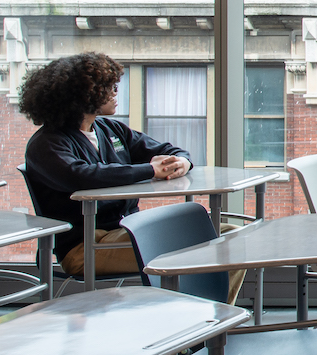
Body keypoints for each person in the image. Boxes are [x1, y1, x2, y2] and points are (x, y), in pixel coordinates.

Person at [19, 52, 219, 285]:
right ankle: (203, 315)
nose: (116, 93)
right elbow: (82, 176)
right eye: (110, 88)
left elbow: (167, 150)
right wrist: (150, 170)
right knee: (206, 249)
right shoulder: (46, 144)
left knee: (227, 237)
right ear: (85, 95)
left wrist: (183, 161)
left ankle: (216, 313)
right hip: (84, 248)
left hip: (129, 231)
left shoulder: (109, 129)